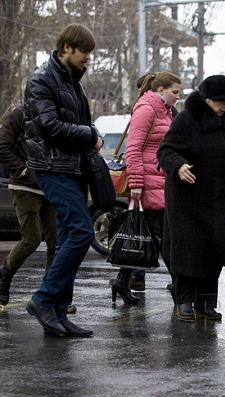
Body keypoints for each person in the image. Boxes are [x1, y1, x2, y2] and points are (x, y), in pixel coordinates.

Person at [23, 23, 102, 337]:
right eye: (85, 51)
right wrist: (90, 135)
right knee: (83, 232)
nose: (88, 58)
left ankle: (58, 312)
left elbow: (77, 123)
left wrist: (88, 138)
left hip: (72, 168)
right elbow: (49, 126)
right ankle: (42, 300)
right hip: (52, 167)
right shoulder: (41, 80)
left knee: (70, 237)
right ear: (67, 47)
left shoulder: (74, 83)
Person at [157, 75, 225, 322]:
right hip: (186, 198)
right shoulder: (187, 119)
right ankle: (184, 302)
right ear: (207, 99)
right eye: (222, 101)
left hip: (217, 198)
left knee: (213, 251)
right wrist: (178, 166)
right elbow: (165, 150)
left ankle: (206, 304)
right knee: (188, 252)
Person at [109, 71, 181, 304]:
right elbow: (133, 149)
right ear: (161, 90)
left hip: (160, 182)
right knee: (162, 239)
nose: (177, 97)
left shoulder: (164, 111)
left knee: (148, 237)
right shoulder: (146, 109)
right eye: (174, 92)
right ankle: (181, 289)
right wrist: (138, 184)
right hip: (148, 184)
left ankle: (122, 280)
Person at [0, 106, 57, 306]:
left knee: (55, 242)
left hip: (51, 186)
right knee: (32, 239)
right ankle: (5, 273)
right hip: (25, 187)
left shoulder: (53, 113)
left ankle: (50, 295)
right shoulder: (19, 113)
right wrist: (23, 171)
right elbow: (2, 148)